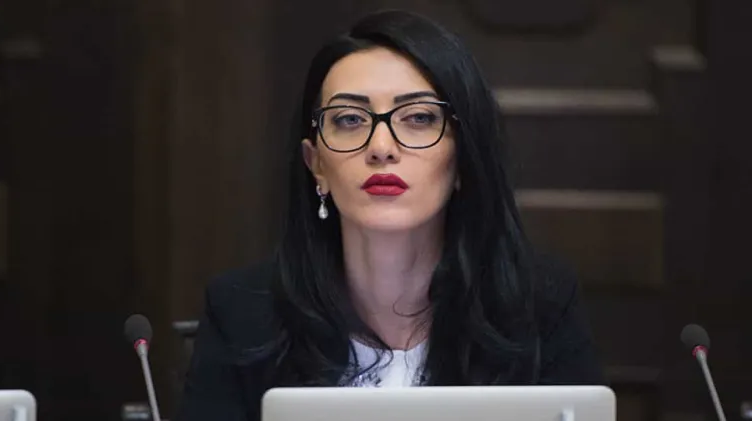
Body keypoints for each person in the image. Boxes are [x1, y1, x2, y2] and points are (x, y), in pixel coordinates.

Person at [176, 9, 604, 421]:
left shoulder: (539, 306)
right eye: (349, 119)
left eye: (418, 117)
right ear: (316, 163)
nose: (381, 147)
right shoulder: (241, 312)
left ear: (463, 159)